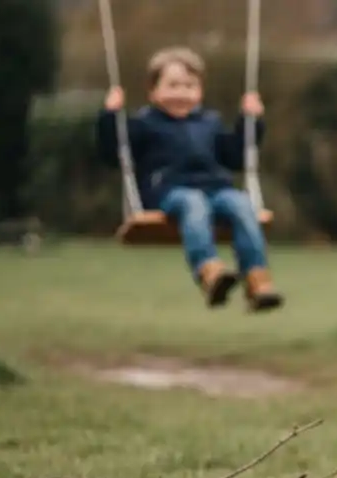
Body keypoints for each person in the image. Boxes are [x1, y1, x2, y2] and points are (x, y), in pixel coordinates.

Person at [97, 46, 282, 311]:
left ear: (200, 91)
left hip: (217, 190)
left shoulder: (210, 122)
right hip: (170, 191)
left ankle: (257, 280)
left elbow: (235, 157)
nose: (181, 93)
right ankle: (209, 271)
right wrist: (110, 116)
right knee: (194, 203)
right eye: (172, 85)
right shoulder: (144, 124)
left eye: (189, 86)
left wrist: (250, 122)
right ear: (153, 91)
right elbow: (112, 152)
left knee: (242, 205)